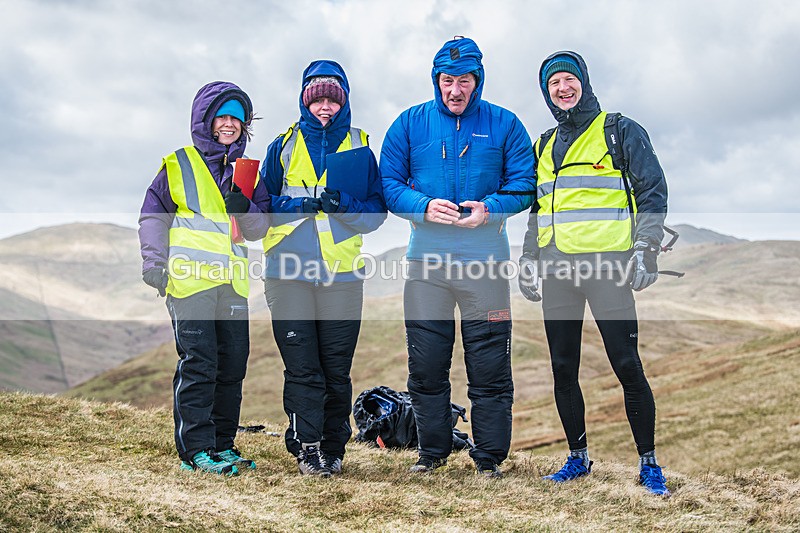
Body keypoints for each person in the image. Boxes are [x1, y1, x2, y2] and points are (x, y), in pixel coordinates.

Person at [381, 36, 535, 478]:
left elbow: (524, 184)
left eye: (464, 80)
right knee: (426, 366)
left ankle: (488, 460)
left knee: (489, 366)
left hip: (485, 267)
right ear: (436, 81)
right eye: (447, 80)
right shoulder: (409, 124)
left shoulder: (505, 125)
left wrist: (491, 209)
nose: (455, 89)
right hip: (426, 268)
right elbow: (389, 182)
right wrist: (422, 205)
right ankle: (431, 453)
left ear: (477, 81)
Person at [518, 51, 670, 496]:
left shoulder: (620, 130)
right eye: (553, 84)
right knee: (563, 368)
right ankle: (577, 458)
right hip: (557, 272)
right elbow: (538, 209)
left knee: (626, 364)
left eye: (568, 80)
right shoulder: (543, 144)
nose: (562, 89)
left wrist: (646, 248)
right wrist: (529, 258)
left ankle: (648, 462)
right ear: (546, 93)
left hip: (608, 269)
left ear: (583, 82)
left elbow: (652, 191)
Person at [259, 60, 386, 477]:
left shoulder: (360, 145)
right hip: (287, 272)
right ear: (304, 101)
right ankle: (307, 448)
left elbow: (375, 214)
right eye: (318, 100)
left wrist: (343, 206)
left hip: (341, 276)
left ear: (343, 102)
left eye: (333, 99)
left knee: (336, 369)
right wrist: (300, 206)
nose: (325, 108)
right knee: (302, 367)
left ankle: (333, 449)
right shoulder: (281, 146)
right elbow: (259, 211)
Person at [138, 81, 270, 476]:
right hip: (188, 282)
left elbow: (259, 228)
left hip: (231, 284)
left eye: (237, 119)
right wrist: (153, 262)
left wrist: (243, 206)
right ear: (206, 120)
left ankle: (222, 446)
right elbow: (152, 217)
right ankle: (195, 452)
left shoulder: (248, 172)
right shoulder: (177, 164)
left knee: (232, 366)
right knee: (200, 364)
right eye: (223, 117)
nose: (230, 124)